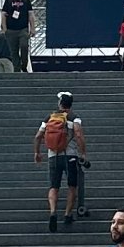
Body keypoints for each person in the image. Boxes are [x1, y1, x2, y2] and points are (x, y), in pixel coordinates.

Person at [34, 91, 89, 231]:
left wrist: (37, 152)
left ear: (60, 103)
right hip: (70, 155)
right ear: (71, 104)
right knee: (72, 186)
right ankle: (67, 214)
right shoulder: (74, 118)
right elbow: (78, 134)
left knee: (54, 187)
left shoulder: (49, 118)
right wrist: (83, 153)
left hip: (53, 155)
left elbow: (38, 136)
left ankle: (53, 211)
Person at [0, 0, 35, 71]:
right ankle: (17, 70)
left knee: (24, 46)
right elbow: (3, 15)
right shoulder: (8, 2)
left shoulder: (26, 1)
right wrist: (4, 29)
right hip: (11, 30)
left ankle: (24, 64)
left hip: (23, 29)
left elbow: (31, 15)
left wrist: (32, 28)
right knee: (13, 52)